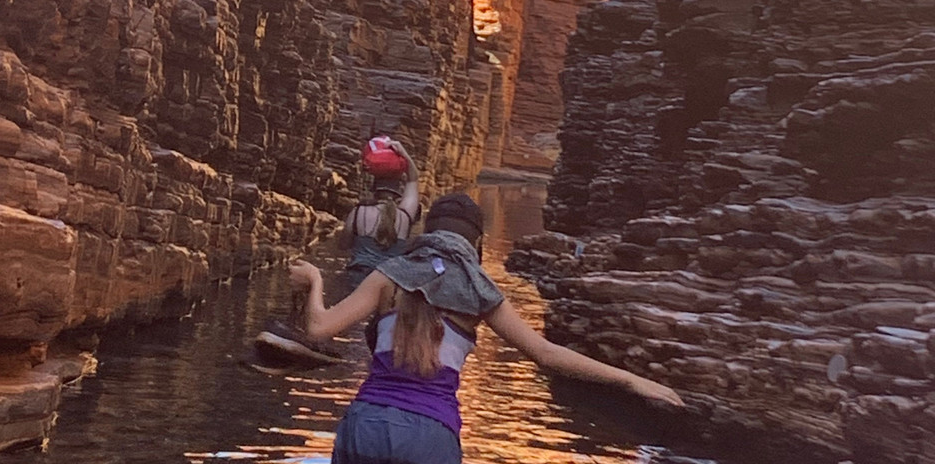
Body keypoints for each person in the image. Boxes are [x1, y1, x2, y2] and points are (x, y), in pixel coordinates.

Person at [289, 192, 684, 464]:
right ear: (476, 244)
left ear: (427, 232)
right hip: (430, 436)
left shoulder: (389, 275)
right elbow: (547, 355)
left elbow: (318, 328)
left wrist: (314, 280)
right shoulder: (482, 292)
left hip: (367, 424)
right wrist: (630, 380)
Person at [340, 138, 420, 286]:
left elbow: (343, 245)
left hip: (357, 283)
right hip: (390, 285)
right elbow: (413, 179)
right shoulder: (406, 216)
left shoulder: (358, 213)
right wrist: (403, 153)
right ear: (399, 188)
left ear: (373, 184)